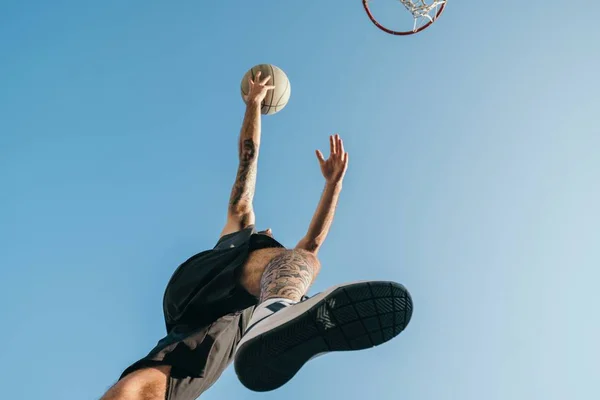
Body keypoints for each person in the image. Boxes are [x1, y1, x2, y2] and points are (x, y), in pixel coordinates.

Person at [100, 72, 412, 400]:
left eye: (270, 239)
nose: (271, 234)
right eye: (268, 237)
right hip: (205, 282)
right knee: (298, 259)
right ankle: (277, 310)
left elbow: (313, 241)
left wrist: (334, 184)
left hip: (218, 327)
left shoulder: (256, 300)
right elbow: (248, 157)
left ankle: (275, 314)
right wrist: (254, 104)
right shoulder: (241, 229)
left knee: (142, 390)